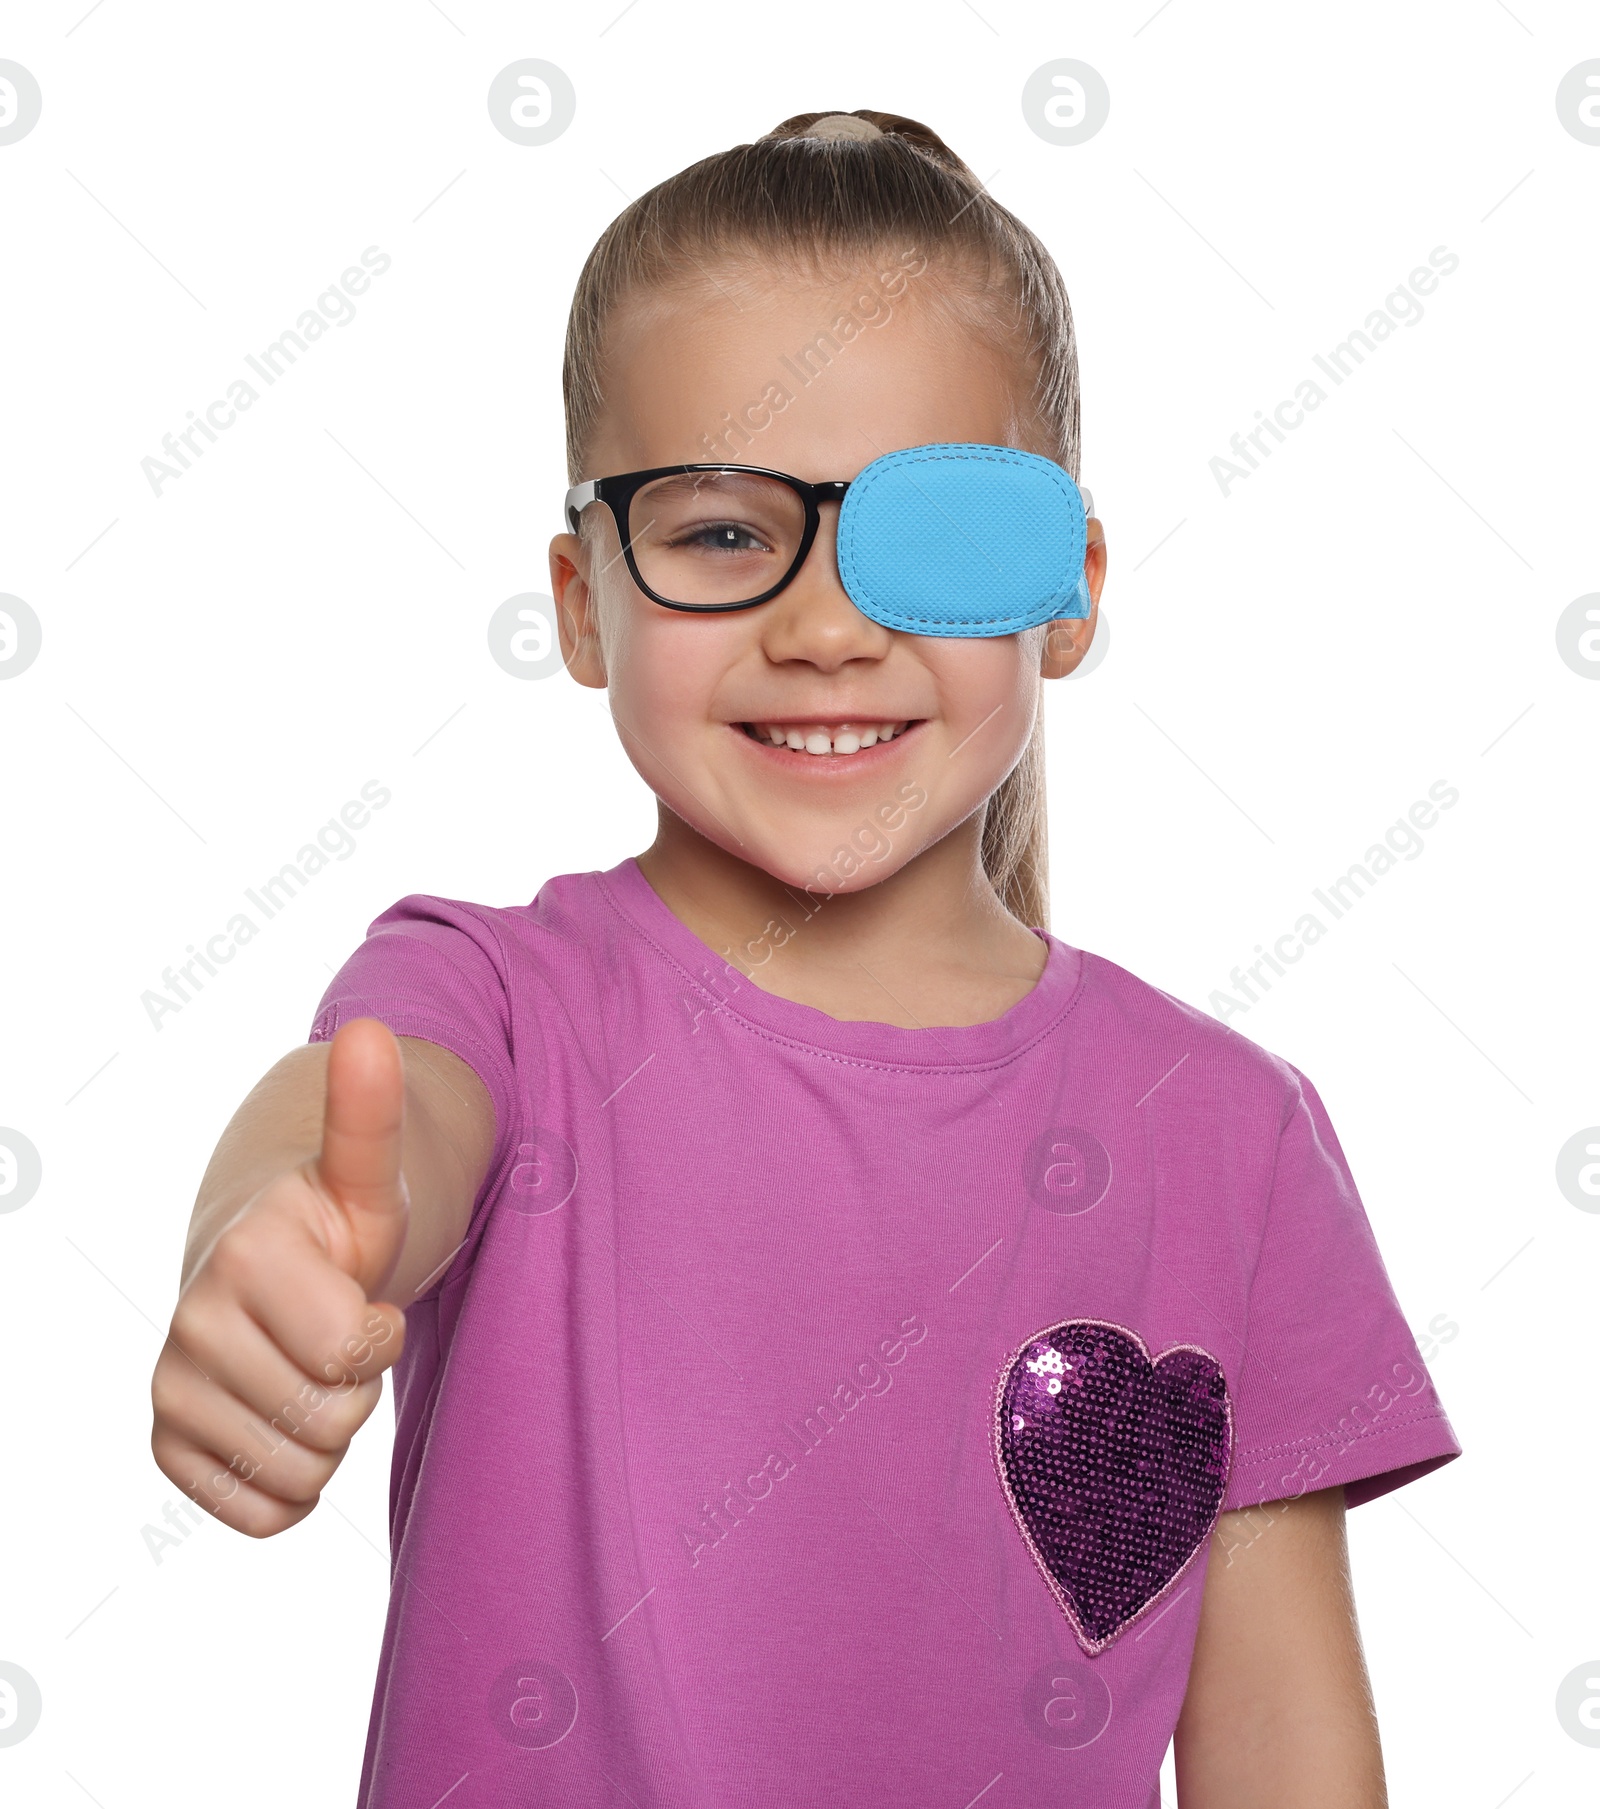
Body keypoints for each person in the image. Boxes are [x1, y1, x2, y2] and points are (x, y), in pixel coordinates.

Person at [150, 109, 1461, 1808]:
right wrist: (275, 1245)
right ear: (577, 599)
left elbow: (1290, 1759)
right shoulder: (500, 1002)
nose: (828, 625)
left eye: (937, 537)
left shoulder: (1234, 1136)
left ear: (1064, 583)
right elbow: (372, 1125)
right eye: (716, 533)